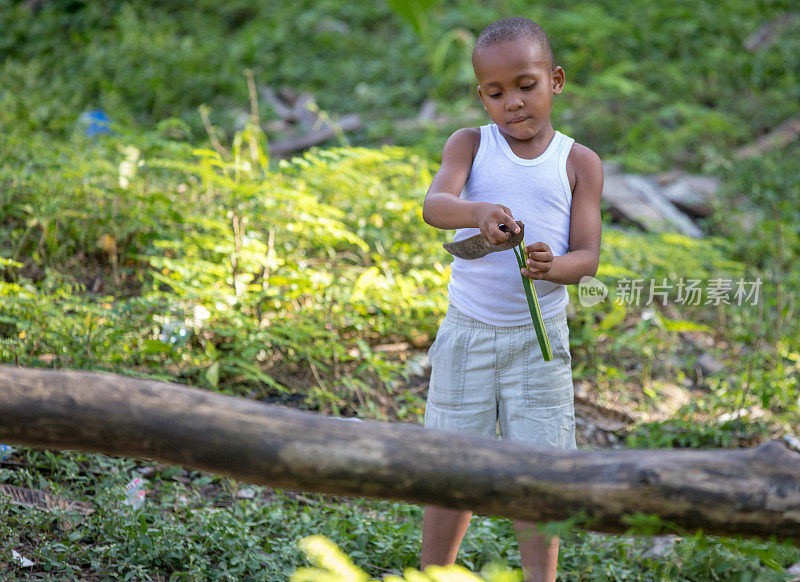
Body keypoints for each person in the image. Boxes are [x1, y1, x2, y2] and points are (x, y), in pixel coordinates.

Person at [420, 16, 603, 582]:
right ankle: (433, 573)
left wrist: (555, 265)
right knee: (454, 468)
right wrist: (478, 213)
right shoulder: (470, 145)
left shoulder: (579, 163)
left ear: (556, 80)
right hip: (468, 334)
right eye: (496, 93)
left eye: (526, 85)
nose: (514, 103)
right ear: (482, 96)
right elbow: (434, 206)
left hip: (538, 344)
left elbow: (588, 257)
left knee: (538, 475)